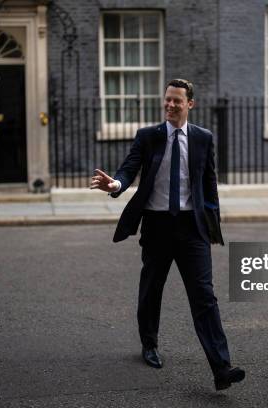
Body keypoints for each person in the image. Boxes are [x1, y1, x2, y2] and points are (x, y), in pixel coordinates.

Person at [90, 79, 244, 391]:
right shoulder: (149, 136)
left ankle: (221, 367)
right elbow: (128, 169)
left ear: (190, 104)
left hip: (192, 228)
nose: (170, 105)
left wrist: (211, 226)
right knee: (151, 288)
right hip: (158, 225)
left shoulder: (203, 138)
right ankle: (149, 344)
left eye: (177, 101)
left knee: (204, 296)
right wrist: (116, 185)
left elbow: (209, 185)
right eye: (167, 100)